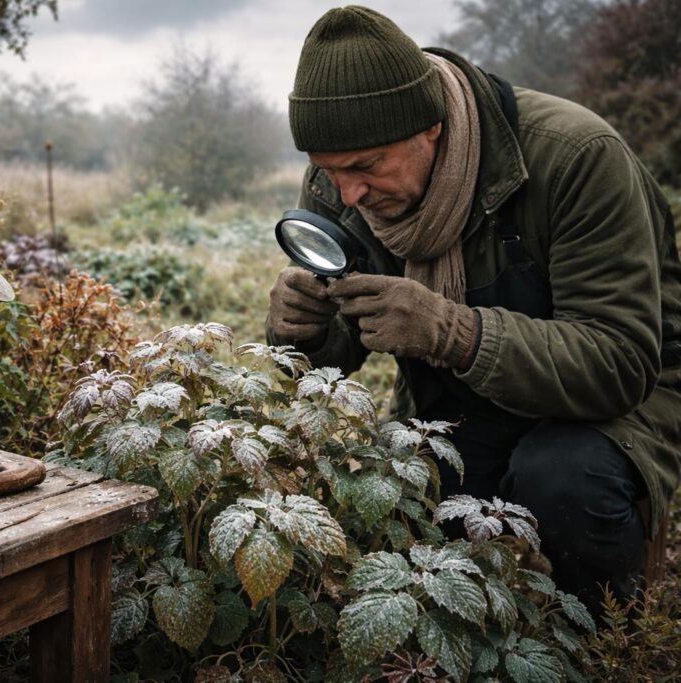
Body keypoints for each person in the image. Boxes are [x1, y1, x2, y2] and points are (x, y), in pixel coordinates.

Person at [267, 5, 681, 617]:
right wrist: (301, 331)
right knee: (400, 483)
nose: (346, 194)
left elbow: (619, 362)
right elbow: (340, 348)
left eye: (366, 167)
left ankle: (603, 645)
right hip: (460, 397)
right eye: (327, 171)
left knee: (561, 476)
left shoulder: (575, 157)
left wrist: (450, 332)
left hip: (623, 406)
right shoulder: (341, 178)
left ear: (430, 128)